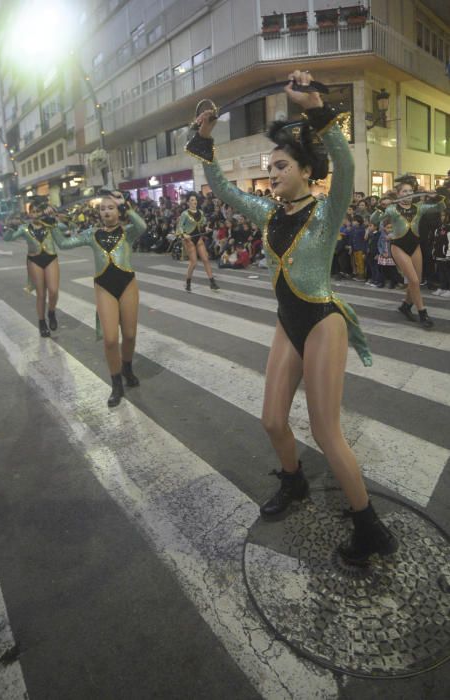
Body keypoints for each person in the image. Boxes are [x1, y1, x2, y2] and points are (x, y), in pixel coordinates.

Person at [186, 69, 398, 565]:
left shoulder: (327, 210)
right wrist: (203, 137)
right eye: (271, 166)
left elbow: (344, 163)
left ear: (305, 171)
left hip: (323, 321)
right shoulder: (269, 213)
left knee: (327, 432)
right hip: (288, 322)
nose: (272, 173)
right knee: (272, 420)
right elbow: (220, 186)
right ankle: (295, 481)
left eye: (280, 165)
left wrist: (313, 106)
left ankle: (371, 529)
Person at [52, 191, 146, 407]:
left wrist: (127, 206)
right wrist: (53, 224)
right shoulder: (91, 234)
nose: (106, 211)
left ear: (118, 211)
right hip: (104, 287)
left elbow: (142, 226)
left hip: (127, 284)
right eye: (103, 208)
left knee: (130, 336)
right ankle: (116, 384)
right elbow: (64, 244)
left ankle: (127, 368)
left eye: (110, 208)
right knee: (111, 339)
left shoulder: (127, 232)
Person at [370, 174, 445, 328]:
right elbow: (373, 221)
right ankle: (423, 313)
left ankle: (405, 305)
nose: (408, 193)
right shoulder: (392, 209)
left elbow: (441, 207)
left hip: (415, 247)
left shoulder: (419, 208)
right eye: (404, 191)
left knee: (415, 281)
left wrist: (435, 197)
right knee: (415, 281)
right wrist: (381, 207)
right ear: (398, 194)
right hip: (398, 247)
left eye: (410, 191)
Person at [3, 196, 60, 337]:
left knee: (53, 291)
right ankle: (42, 323)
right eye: (32, 211)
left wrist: (54, 216)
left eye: (37, 211)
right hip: (34, 260)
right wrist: (10, 226)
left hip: (51, 258)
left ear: (42, 212)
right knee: (41, 293)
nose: (35, 214)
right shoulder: (24, 228)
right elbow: (8, 238)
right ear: (29, 213)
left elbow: (66, 227)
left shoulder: (49, 224)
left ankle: (51, 312)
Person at [176, 191, 219, 292]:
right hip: (189, 240)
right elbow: (179, 227)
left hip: (198, 238)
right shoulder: (185, 214)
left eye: (195, 200)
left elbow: (203, 225)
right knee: (194, 263)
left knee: (205, 259)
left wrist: (207, 228)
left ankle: (212, 282)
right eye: (192, 200)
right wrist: (184, 234)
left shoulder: (201, 212)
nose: (194, 201)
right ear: (188, 202)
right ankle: (188, 282)